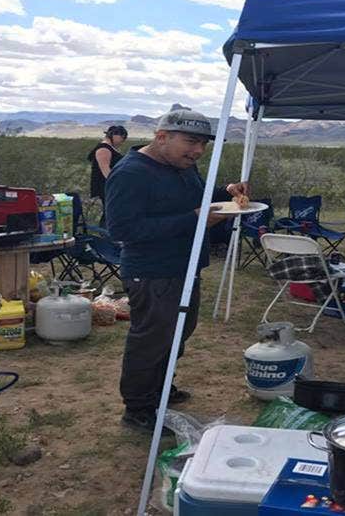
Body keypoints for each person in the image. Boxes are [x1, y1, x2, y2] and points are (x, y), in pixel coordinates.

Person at [105, 108, 249, 430]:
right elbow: (122, 230)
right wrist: (194, 219)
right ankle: (138, 409)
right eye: (191, 142)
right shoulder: (131, 173)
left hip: (184, 266)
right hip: (153, 272)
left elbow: (192, 199)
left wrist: (224, 193)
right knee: (151, 340)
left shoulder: (182, 166)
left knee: (178, 333)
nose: (198, 151)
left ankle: (160, 388)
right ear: (161, 137)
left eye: (203, 144)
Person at [88, 124, 127, 222]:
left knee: (110, 210)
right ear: (115, 135)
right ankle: (106, 232)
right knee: (110, 211)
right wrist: (116, 186)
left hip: (109, 186)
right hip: (106, 186)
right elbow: (106, 171)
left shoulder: (109, 148)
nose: (123, 141)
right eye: (123, 137)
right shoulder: (104, 149)